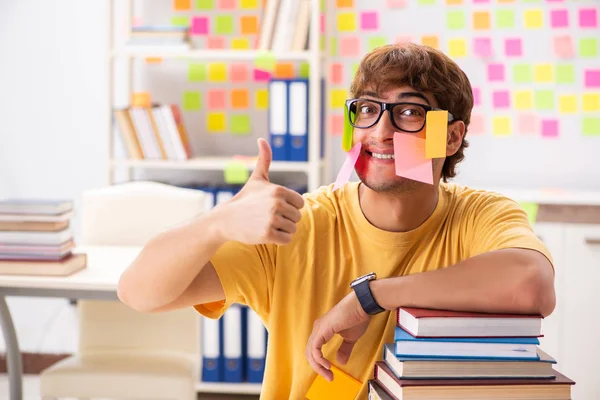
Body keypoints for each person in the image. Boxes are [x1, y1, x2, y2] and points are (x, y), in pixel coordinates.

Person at [117, 42, 555, 399]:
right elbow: (138, 293)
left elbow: (532, 285)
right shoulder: (302, 225)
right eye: (367, 109)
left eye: (408, 113)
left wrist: (372, 297)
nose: (379, 132)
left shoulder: (481, 214)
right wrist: (217, 223)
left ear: (452, 136)